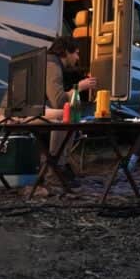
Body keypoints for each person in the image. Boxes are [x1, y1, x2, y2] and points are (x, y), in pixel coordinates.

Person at [43, 36, 97, 175]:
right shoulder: (52, 65)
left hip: (29, 110)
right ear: (67, 51)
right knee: (67, 116)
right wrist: (79, 87)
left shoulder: (52, 63)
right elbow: (59, 102)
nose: (78, 58)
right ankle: (57, 168)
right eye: (76, 53)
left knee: (70, 115)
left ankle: (61, 164)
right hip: (21, 114)